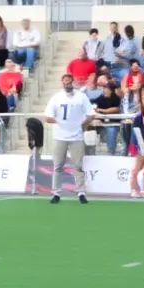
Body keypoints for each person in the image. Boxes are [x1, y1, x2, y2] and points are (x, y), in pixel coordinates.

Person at [43, 74, 94, 204]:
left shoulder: (81, 97)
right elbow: (47, 117)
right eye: (65, 83)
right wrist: (60, 121)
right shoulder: (56, 98)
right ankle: (56, 193)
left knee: (78, 165)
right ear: (62, 83)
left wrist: (83, 124)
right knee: (58, 165)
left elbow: (91, 114)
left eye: (69, 82)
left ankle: (81, 192)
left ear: (73, 82)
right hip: (60, 136)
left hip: (76, 136)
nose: (67, 85)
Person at [128, 88, 144, 198]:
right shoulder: (138, 117)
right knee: (136, 168)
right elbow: (136, 132)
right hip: (139, 144)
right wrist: (142, 146)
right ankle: (133, 189)